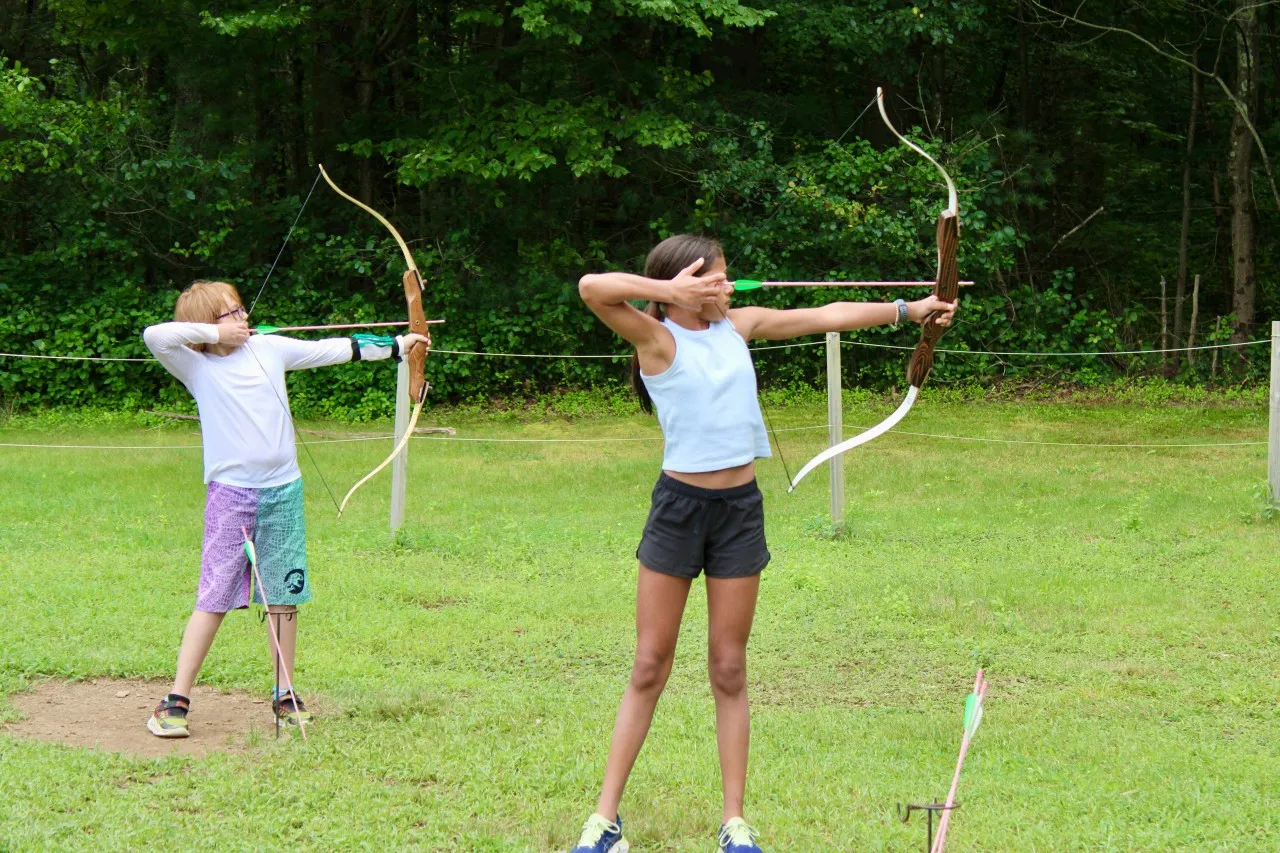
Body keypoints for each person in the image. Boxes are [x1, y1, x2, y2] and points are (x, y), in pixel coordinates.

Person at [571, 235, 956, 852]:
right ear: (684, 286)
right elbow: (592, 287)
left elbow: (826, 316)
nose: (728, 287)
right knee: (650, 664)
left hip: (739, 512)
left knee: (728, 665)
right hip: (678, 511)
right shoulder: (657, 337)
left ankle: (734, 823)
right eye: (715, 280)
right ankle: (604, 821)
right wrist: (668, 293)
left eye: (727, 278)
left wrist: (912, 311)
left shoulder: (740, 325)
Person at [141, 278, 428, 738]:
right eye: (230, 313)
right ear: (204, 327)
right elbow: (153, 335)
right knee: (214, 595)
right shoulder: (193, 366)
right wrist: (217, 337)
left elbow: (329, 350)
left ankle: (285, 694)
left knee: (284, 595)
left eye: (240, 311)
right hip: (231, 496)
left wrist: (398, 345)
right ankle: (176, 699)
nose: (242, 319)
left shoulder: (269, 349)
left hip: (283, 492)